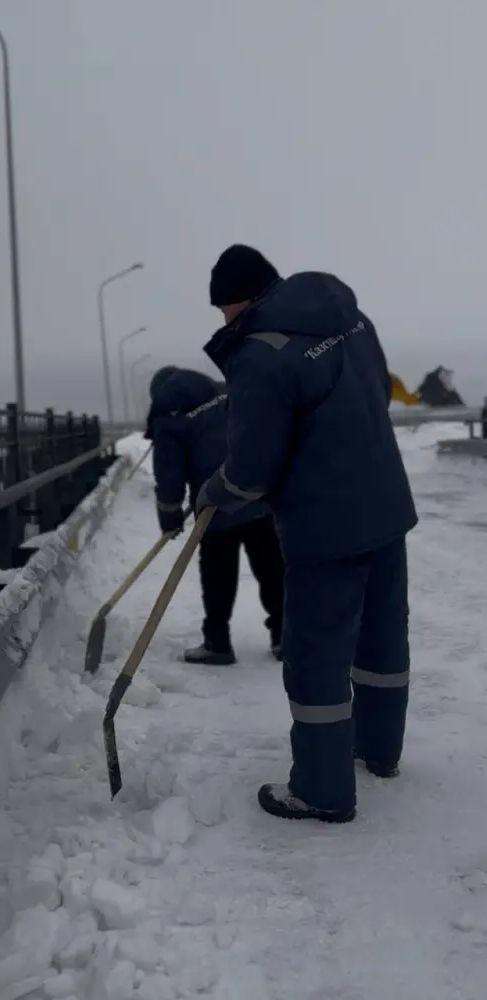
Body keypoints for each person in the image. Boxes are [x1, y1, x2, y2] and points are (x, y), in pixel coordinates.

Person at [196, 244, 418, 823]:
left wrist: (216, 492)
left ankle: (320, 789)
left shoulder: (260, 354)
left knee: (318, 655)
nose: (223, 320)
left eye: (223, 308)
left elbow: (251, 467)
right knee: (382, 637)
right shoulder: (351, 317)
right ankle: (379, 750)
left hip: (326, 524)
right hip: (386, 504)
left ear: (241, 299)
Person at [146, 365, 285, 665]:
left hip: (215, 505)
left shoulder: (168, 417)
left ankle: (217, 643)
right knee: (273, 568)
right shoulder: (226, 391)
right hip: (257, 493)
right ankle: (287, 636)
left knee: (217, 575)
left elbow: (169, 474)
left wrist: (169, 514)